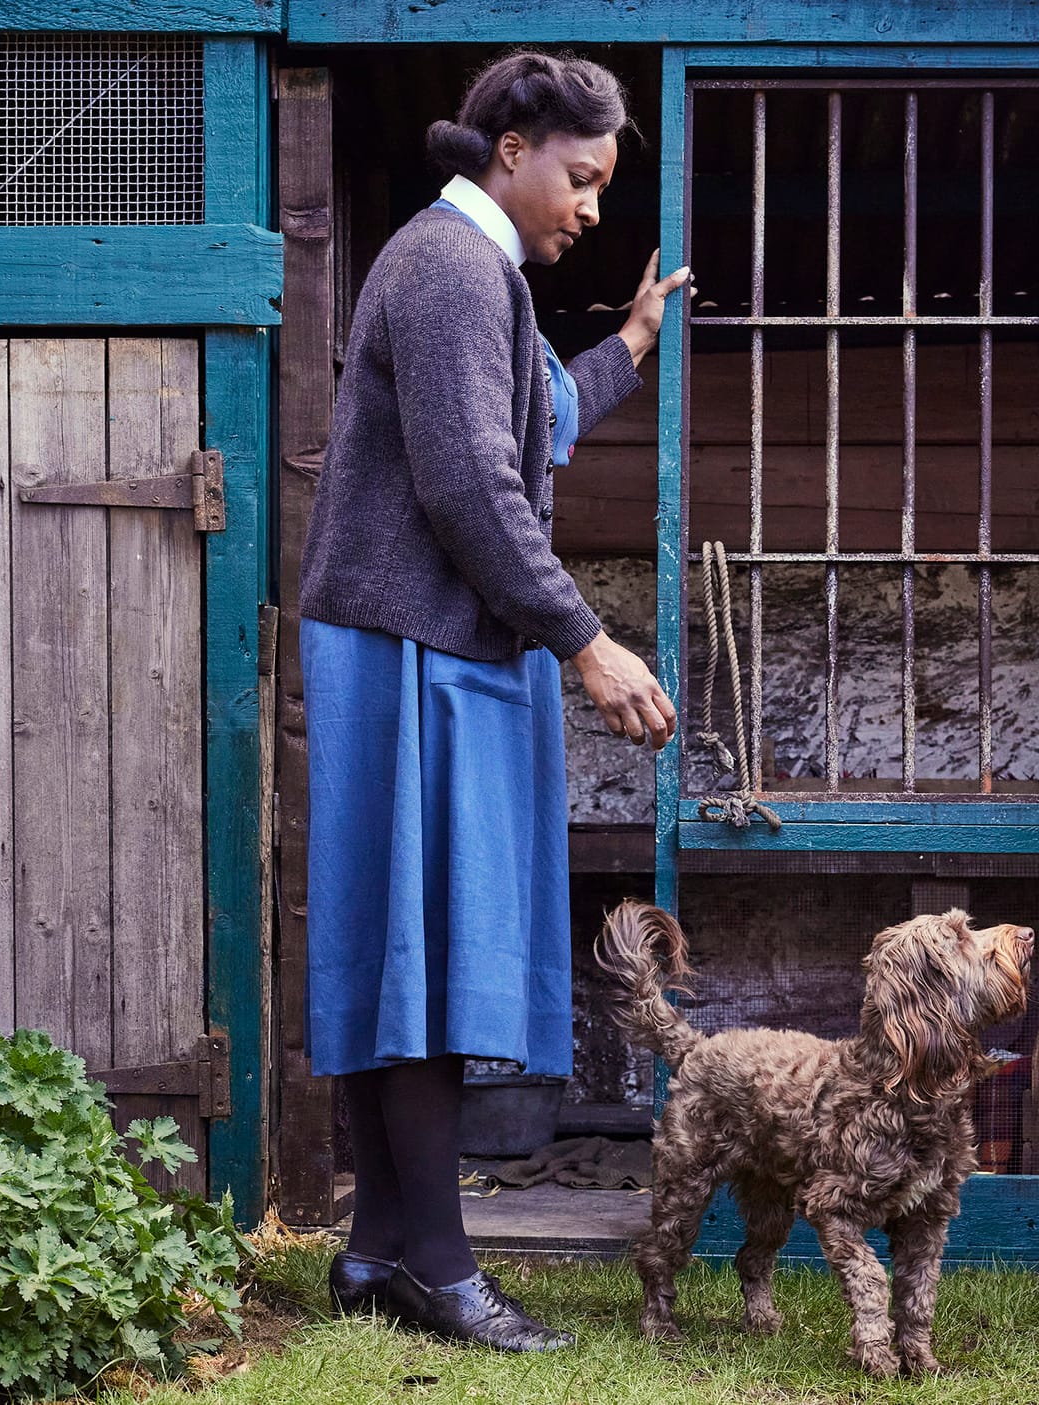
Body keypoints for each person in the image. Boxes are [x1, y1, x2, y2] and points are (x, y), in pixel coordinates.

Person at [297, 49, 689, 1352]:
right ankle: (445, 1271)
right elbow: (476, 486)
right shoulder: (452, 268)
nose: (588, 206)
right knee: (416, 955)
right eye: (578, 178)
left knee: (406, 944)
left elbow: (529, 423)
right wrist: (588, 642)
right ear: (511, 145)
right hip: (418, 645)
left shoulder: (471, 274)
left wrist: (629, 343)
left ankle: (376, 1255)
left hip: (428, 641)